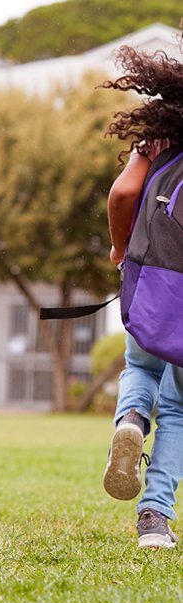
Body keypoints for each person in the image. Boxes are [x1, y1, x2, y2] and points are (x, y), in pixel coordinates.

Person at [101, 41, 183, 548]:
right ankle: (155, 520)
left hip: (154, 273)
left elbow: (125, 194)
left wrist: (120, 246)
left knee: (141, 366)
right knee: (178, 408)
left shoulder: (164, 130)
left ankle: (131, 420)